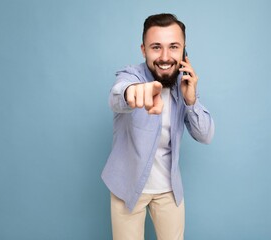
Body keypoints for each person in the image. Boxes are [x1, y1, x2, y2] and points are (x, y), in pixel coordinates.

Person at [101, 13, 215, 240]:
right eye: (156, 47)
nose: (165, 57)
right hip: (127, 184)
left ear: (184, 51)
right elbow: (117, 95)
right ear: (144, 50)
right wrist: (131, 93)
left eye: (173, 47)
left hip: (168, 189)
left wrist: (191, 100)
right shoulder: (131, 76)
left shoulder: (183, 84)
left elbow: (205, 135)